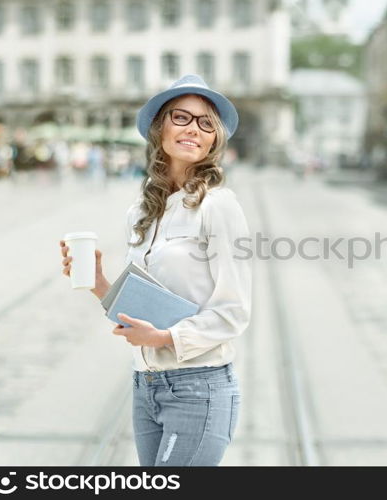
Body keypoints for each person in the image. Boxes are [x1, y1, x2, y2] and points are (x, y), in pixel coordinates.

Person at [59, 74, 251, 466]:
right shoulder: (143, 209)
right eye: (181, 117)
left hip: (200, 386)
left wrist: (163, 337)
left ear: (215, 139)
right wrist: (99, 285)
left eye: (205, 122)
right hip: (146, 385)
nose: (193, 129)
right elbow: (146, 302)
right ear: (159, 127)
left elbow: (235, 313)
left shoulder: (219, 206)